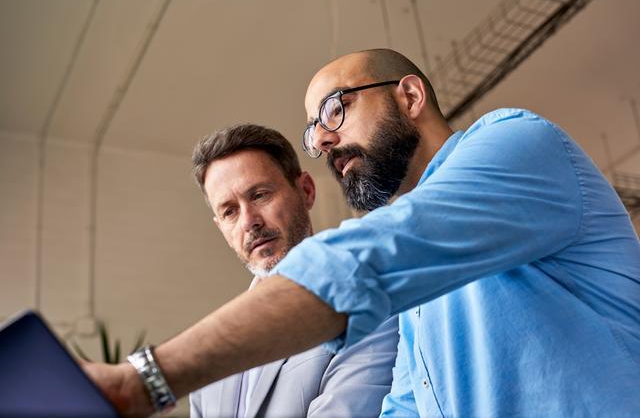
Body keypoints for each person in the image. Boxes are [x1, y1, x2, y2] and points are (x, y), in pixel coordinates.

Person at [85, 49, 640, 418]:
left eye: (335, 110)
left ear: (409, 97)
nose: (323, 140)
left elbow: (365, 261)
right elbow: (405, 406)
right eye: (313, 132)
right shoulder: (419, 300)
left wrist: (145, 380)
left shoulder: (517, 143)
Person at [188, 124, 397, 417]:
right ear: (221, 227)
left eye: (259, 195)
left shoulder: (366, 306)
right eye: (229, 211)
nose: (249, 221)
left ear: (306, 191)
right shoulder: (206, 359)